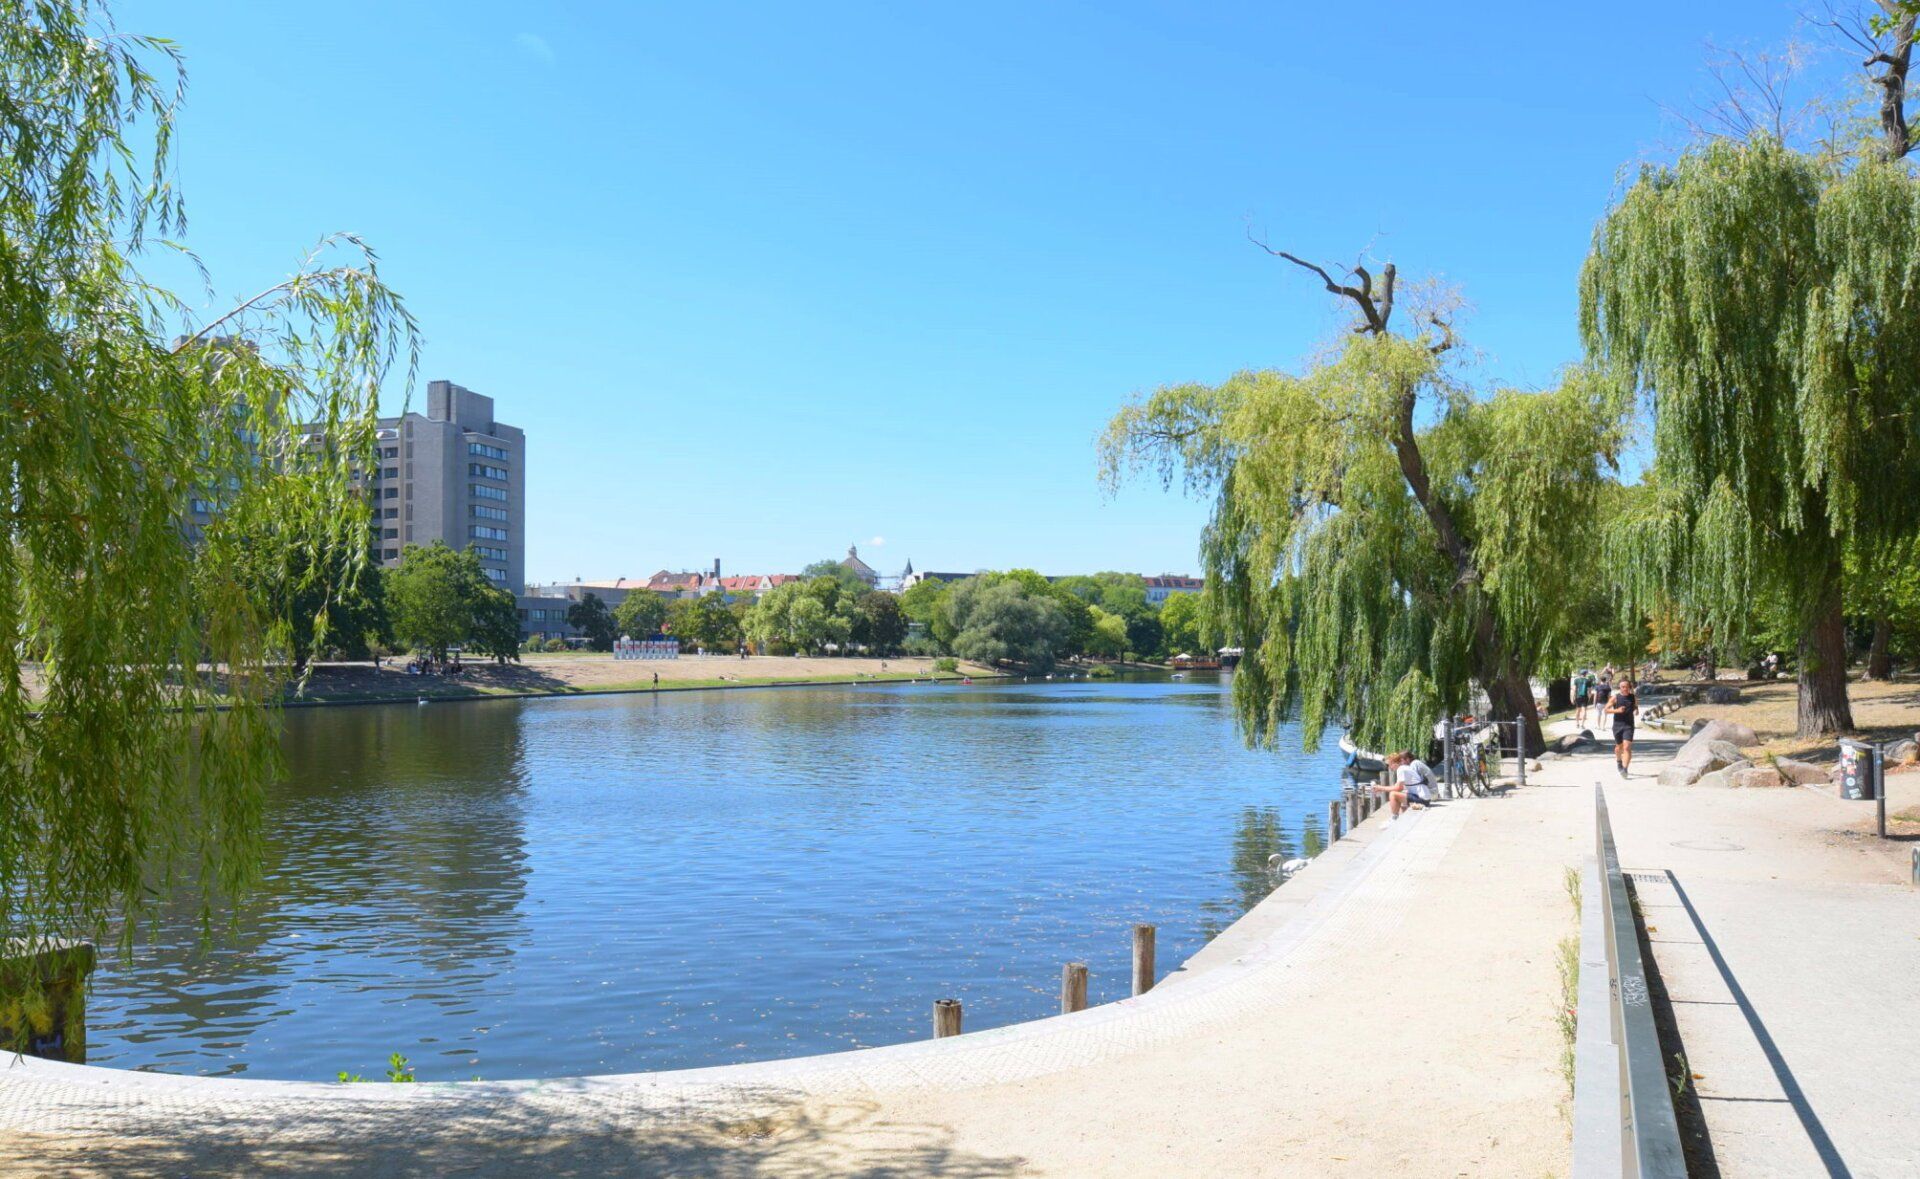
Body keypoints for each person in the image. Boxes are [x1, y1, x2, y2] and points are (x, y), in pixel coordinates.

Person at [1374, 751, 1436, 817]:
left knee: (1393, 794)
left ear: (1395, 763)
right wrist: (1381, 788)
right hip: (1425, 798)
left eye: (1389, 764)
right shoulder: (1404, 767)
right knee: (1398, 794)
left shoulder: (1401, 769)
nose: (1389, 767)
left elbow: (1398, 788)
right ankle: (1398, 816)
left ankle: (1394, 818)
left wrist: (1381, 788)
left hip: (1422, 800)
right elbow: (1397, 787)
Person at [1606, 678, 1639, 778]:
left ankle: (1625, 769)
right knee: (1618, 748)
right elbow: (1606, 710)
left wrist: (1636, 710)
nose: (1625, 688)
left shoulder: (1633, 697)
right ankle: (1619, 760)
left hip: (1629, 725)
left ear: (1629, 687)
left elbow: (1636, 706)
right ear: (1619, 687)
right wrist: (1617, 711)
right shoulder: (1615, 698)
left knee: (1627, 747)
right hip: (1617, 725)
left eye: (1627, 687)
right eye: (1623, 687)